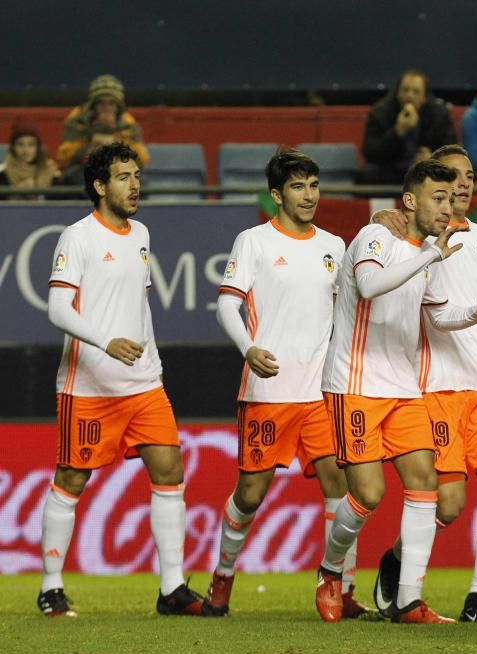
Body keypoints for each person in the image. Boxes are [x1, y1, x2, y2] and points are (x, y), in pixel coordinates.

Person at [318, 160, 477, 624]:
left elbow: (440, 316)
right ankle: (330, 570)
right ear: (409, 201)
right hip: (355, 383)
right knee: (367, 494)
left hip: (403, 387)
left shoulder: (429, 252)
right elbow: (368, 285)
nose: (447, 208)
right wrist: (428, 255)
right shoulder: (375, 238)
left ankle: (407, 600)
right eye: (437, 199)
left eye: (450, 199)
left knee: (426, 485)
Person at [202, 149, 372, 621]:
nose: (309, 195)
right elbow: (226, 305)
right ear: (277, 194)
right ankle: (223, 574)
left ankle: (341, 583)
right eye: (298, 187)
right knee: (250, 495)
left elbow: (351, 313)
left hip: (320, 391)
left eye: (314, 186)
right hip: (269, 391)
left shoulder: (336, 246)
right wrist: (249, 349)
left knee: (339, 486)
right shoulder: (253, 242)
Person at [370, 145, 477, 623]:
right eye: (452, 179)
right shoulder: (412, 240)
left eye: (468, 176)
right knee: (449, 503)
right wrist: (383, 216)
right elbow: (380, 238)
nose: (463, 185)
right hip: (437, 387)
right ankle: (397, 562)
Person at [39, 142, 200, 617]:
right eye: (124, 177)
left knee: (169, 471)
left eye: (136, 176)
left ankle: (172, 588)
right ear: (99, 185)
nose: (135, 185)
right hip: (88, 385)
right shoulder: (78, 237)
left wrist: (150, 356)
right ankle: (50, 585)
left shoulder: (141, 233)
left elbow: (138, 304)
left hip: (143, 383)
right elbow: (56, 308)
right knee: (71, 478)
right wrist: (106, 341)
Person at [357, 70, 457, 185]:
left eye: (416, 92)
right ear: (397, 94)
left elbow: (451, 149)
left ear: (424, 98)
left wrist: (433, 158)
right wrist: (397, 133)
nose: (409, 96)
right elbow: (370, 153)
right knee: (367, 175)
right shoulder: (381, 112)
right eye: (405, 90)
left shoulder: (439, 114)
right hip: (392, 168)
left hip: (426, 171)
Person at [57, 75, 149, 186]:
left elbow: (142, 160)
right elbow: (65, 159)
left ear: (118, 107)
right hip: (85, 168)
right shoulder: (77, 119)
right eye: (101, 103)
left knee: (140, 183)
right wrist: (90, 142)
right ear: (93, 106)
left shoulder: (127, 122)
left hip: (119, 167)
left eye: (112, 103)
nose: (106, 108)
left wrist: (117, 142)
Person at [0, 119, 60, 200]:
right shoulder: (3, 174)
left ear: (37, 147)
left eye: (31, 144)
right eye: (20, 144)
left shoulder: (52, 173)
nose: (26, 150)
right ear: (13, 147)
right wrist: (16, 192)